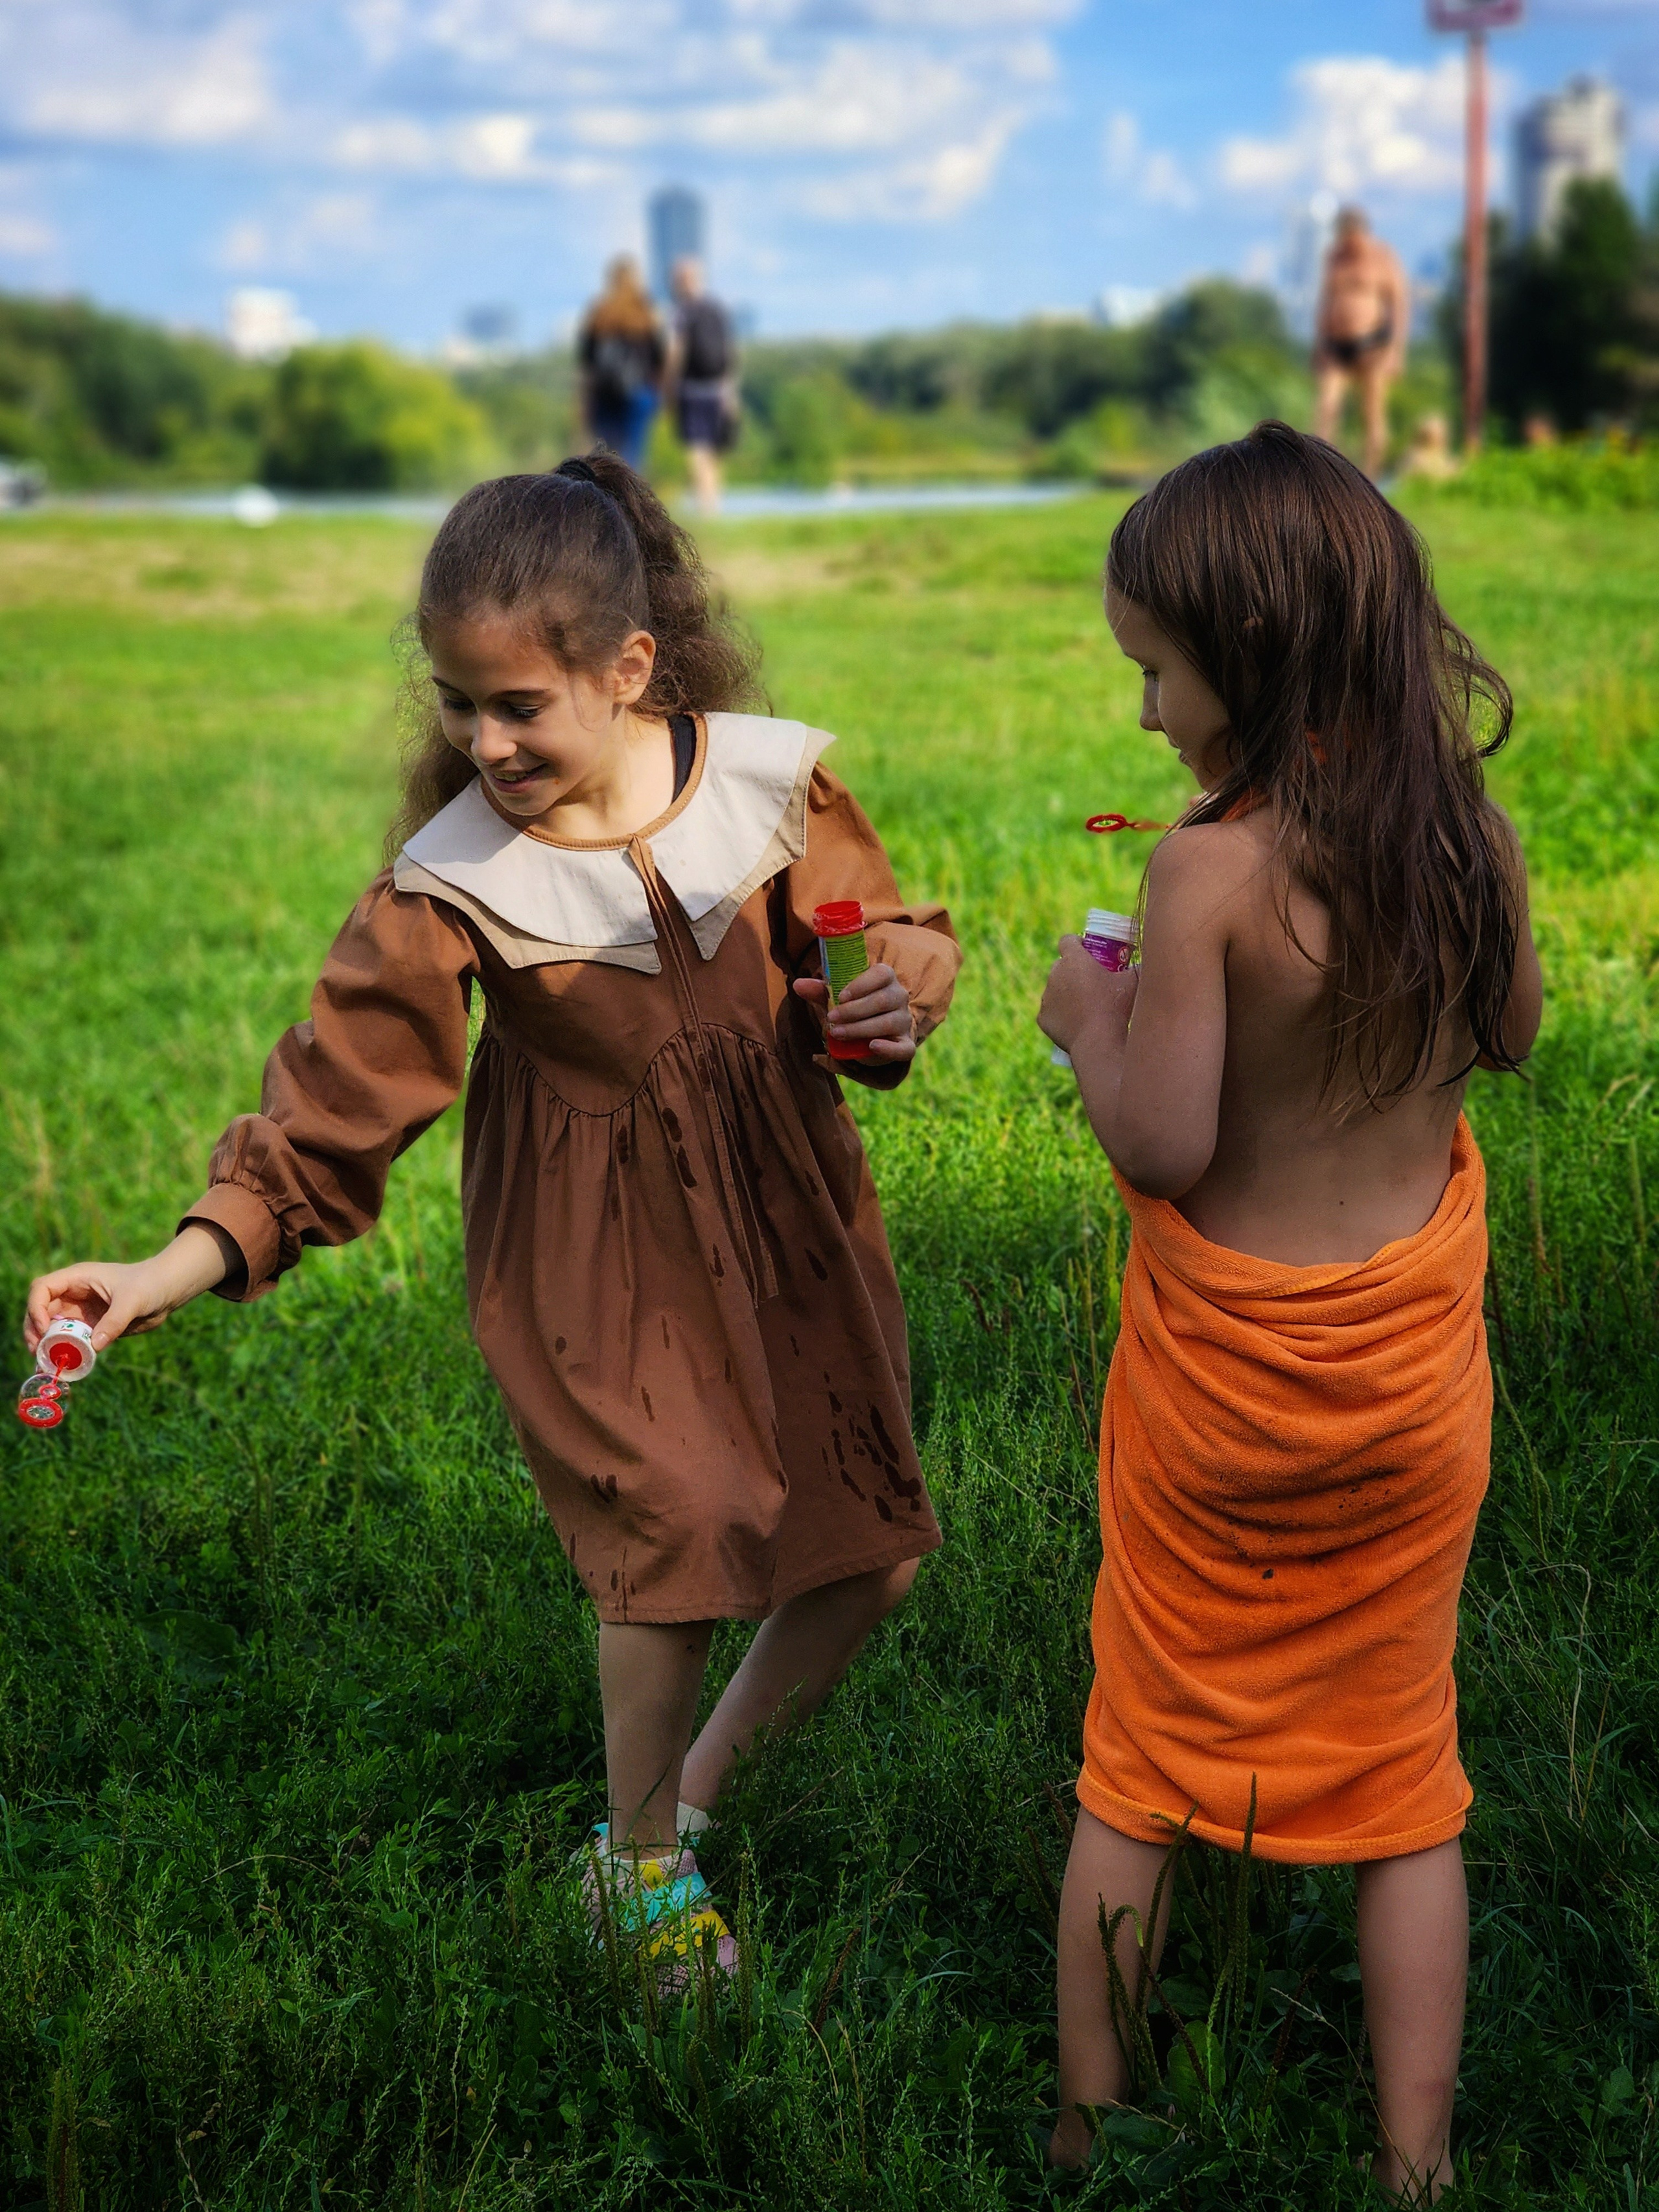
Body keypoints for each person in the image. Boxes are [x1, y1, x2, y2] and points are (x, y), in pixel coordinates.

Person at [23, 454, 960, 1977]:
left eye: (518, 703)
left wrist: (879, 1010)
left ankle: (672, 1816)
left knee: (870, 1551)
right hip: (605, 1261)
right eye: (458, 703)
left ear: (630, 667)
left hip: (786, 1222)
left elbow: (871, 951)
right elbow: (334, 1106)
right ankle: (644, 1874)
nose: (482, 739)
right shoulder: (456, 883)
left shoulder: (764, 788)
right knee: (685, 1522)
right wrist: (168, 1264)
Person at [1038, 423, 1541, 2198]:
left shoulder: (1207, 876)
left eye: (1157, 674)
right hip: (1411, 1396)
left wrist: (1084, 1015)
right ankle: (1418, 2159)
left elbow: (1166, 1143)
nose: (1148, 716)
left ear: (1244, 661)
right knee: (1409, 1770)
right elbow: (1516, 1028)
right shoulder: (1459, 835)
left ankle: (1091, 2125)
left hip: (1230, 1406)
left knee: (1147, 1751)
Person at [1312, 207, 1411, 480]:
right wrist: (1320, 345)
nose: (1347, 246)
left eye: (1351, 239)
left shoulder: (1383, 258)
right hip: (1336, 347)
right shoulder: (1335, 258)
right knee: (1326, 409)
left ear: (1361, 233)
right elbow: (1325, 301)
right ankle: (1322, 477)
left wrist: (1396, 351)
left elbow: (1399, 305)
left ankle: (1371, 480)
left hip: (1373, 347)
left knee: (1372, 416)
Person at [577, 257, 667, 471]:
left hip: (604, 392)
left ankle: (607, 500)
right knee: (634, 452)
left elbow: (587, 361)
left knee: (605, 456)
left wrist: (585, 400)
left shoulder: (599, 312)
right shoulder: (646, 311)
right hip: (639, 390)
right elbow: (659, 356)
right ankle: (630, 498)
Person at [667, 257, 738, 515]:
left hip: (692, 388)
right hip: (718, 389)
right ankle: (714, 504)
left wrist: (669, 388)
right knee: (715, 449)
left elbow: (676, 352)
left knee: (697, 447)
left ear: (680, 282)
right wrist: (731, 393)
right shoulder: (717, 309)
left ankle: (705, 507)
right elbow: (730, 352)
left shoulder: (683, 312)